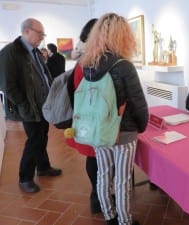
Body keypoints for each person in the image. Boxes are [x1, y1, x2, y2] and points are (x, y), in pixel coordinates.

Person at [79, 13, 148, 225]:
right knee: (123, 178)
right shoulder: (123, 65)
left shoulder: (89, 64)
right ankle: (125, 221)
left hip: (98, 129)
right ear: (122, 35)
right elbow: (138, 103)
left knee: (103, 174)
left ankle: (109, 216)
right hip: (123, 130)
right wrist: (142, 125)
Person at [0, 18, 62, 193]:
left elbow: (43, 75)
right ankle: (25, 178)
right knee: (34, 140)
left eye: (43, 34)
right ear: (26, 31)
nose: (42, 37)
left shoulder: (34, 51)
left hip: (43, 106)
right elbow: (7, 85)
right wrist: (24, 105)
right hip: (29, 108)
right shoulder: (10, 52)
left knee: (42, 136)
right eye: (39, 33)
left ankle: (43, 167)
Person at [66, 18, 102, 215]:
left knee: (94, 158)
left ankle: (97, 196)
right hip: (93, 119)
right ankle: (98, 197)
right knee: (96, 158)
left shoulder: (84, 58)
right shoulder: (90, 61)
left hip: (88, 118)